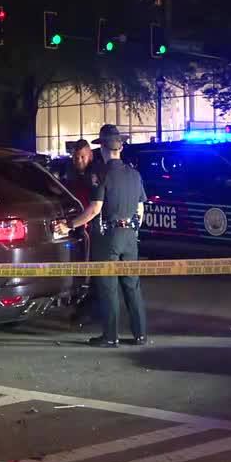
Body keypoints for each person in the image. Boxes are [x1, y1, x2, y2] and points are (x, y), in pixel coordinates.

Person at [66, 125, 148, 348]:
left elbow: (94, 209)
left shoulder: (100, 174)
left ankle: (111, 336)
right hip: (130, 236)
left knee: (108, 287)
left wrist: (69, 225)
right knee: (132, 285)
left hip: (108, 238)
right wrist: (130, 230)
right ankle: (140, 335)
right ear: (120, 147)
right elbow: (140, 210)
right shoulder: (134, 173)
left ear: (102, 148)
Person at [61, 140, 96, 323]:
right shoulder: (71, 175)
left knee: (90, 273)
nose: (79, 160)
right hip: (78, 228)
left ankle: (88, 310)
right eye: (76, 157)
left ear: (89, 155)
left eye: (83, 156)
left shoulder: (94, 175)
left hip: (90, 229)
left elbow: (94, 207)